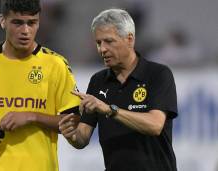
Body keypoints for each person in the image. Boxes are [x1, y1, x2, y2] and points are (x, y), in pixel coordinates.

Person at [0, 0, 80, 170]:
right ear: (2, 21)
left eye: (32, 23)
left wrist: (32, 116)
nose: (25, 31)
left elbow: (73, 122)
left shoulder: (56, 65)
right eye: (17, 23)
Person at [59, 8, 178, 171]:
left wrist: (109, 109)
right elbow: (82, 138)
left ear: (129, 39)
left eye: (109, 41)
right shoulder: (98, 81)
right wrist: (71, 134)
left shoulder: (158, 74)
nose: (102, 49)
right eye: (98, 43)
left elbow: (155, 125)